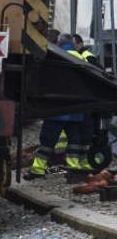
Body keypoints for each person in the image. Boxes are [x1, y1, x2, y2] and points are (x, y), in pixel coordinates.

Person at [27, 34, 89, 178]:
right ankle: (74, 168)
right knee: (75, 141)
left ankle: (38, 170)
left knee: (47, 141)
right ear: (73, 44)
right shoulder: (82, 58)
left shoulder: (55, 57)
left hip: (57, 109)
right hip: (76, 110)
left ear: (59, 44)